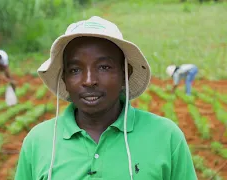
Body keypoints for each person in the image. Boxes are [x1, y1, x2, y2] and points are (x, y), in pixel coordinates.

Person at [15, 16, 197, 180]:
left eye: (104, 67)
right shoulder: (38, 142)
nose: (89, 81)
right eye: (75, 70)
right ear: (64, 79)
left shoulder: (166, 137)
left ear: (126, 73)